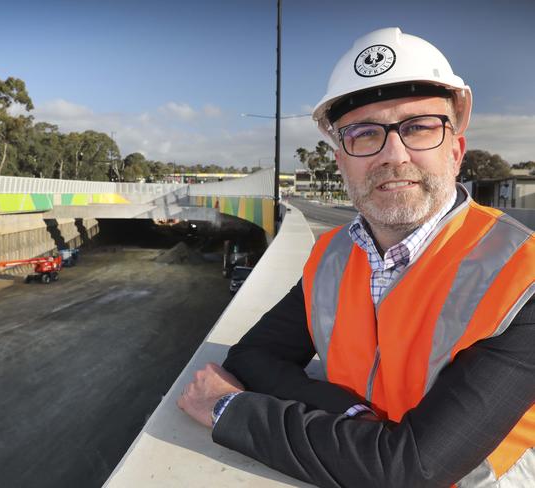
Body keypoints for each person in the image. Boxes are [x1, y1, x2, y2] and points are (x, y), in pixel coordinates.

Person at [177, 27, 534, 487]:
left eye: (419, 128)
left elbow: (412, 470)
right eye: (365, 135)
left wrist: (229, 410)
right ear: (342, 161)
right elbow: (252, 355)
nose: (393, 154)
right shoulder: (332, 256)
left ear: (456, 151)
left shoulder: (521, 277)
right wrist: (352, 416)